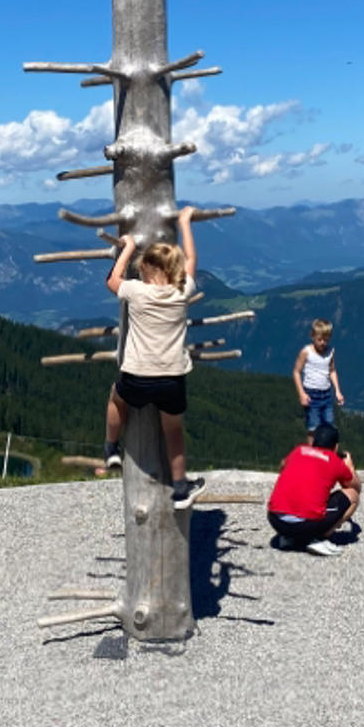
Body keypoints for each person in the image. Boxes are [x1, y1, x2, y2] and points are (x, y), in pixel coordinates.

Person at [103, 205, 205, 508]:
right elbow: (192, 262)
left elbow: (113, 279)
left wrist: (128, 247)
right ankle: (179, 489)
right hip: (172, 378)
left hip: (136, 375)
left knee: (115, 400)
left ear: (145, 269)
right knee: (173, 432)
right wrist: (185, 223)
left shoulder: (135, 291)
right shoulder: (182, 291)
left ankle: (110, 447)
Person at [266, 424, 360, 555]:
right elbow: (354, 487)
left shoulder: (299, 451)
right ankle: (317, 539)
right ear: (336, 446)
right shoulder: (333, 461)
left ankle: (289, 538)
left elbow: (282, 465)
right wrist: (350, 466)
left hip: (276, 520)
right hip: (306, 525)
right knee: (353, 496)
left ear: (313, 442)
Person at [293, 318, 344, 432]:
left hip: (326, 395)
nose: (322, 343)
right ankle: (312, 449)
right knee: (313, 428)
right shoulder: (306, 352)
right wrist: (301, 394)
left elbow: (332, 370)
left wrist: (337, 391)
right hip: (311, 395)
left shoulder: (330, 351)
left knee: (330, 426)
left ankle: (328, 449)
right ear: (313, 337)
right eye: (319, 340)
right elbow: (296, 371)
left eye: (326, 340)